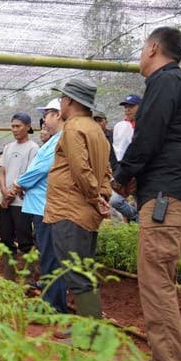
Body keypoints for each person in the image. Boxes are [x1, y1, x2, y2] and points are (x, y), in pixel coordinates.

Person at [111, 27, 181, 361]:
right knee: (158, 281)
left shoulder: (166, 81)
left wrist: (122, 177)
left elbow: (147, 136)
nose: (140, 54)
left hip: (168, 199)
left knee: (155, 284)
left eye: (141, 48)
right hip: (170, 194)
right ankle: (167, 359)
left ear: (153, 48)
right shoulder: (174, 83)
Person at [44, 78, 112, 318]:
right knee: (84, 268)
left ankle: (89, 331)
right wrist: (102, 196)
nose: (60, 103)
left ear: (70, 100)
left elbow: (80, 169)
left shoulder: (73, 128)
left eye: (62, 98)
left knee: (75, 271)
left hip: (70, 211)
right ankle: (89, 325)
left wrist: (95, 198)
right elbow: (106, 171)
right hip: (86, 213)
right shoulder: (96, 130)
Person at [10, 98, 67, 313]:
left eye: (47, 114)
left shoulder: (59, 140)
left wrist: (18, 183)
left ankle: (54, 307)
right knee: (47, 255)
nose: (44, 119)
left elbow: (41, 169)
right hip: (39, 206)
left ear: (57, 115)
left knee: (51, 257)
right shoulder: (53, 140)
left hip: (46, 206)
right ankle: (49, 301)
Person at [0, 112, 39, 280]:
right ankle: (9, 277)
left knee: (25, 240)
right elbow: (2, 172)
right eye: (13, 126)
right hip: (6, 202)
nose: (14, 129)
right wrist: (4, 192)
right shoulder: (8, 147)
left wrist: (12, 193)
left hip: (22, 202)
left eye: (18, 126)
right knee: (6, 239)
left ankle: (28, 279)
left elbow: (30, 175)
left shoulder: (33, 148)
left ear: (28, 127)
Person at [110, 95, 142, 222]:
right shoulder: (121, 126)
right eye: (126, 107)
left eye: (131, 106)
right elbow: (118, 151)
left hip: (142, 172)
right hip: (125, 171)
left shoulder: (147, 125)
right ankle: (136, 218)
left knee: (142, 202)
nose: (127, 109)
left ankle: (139, 224)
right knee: (116, 200)